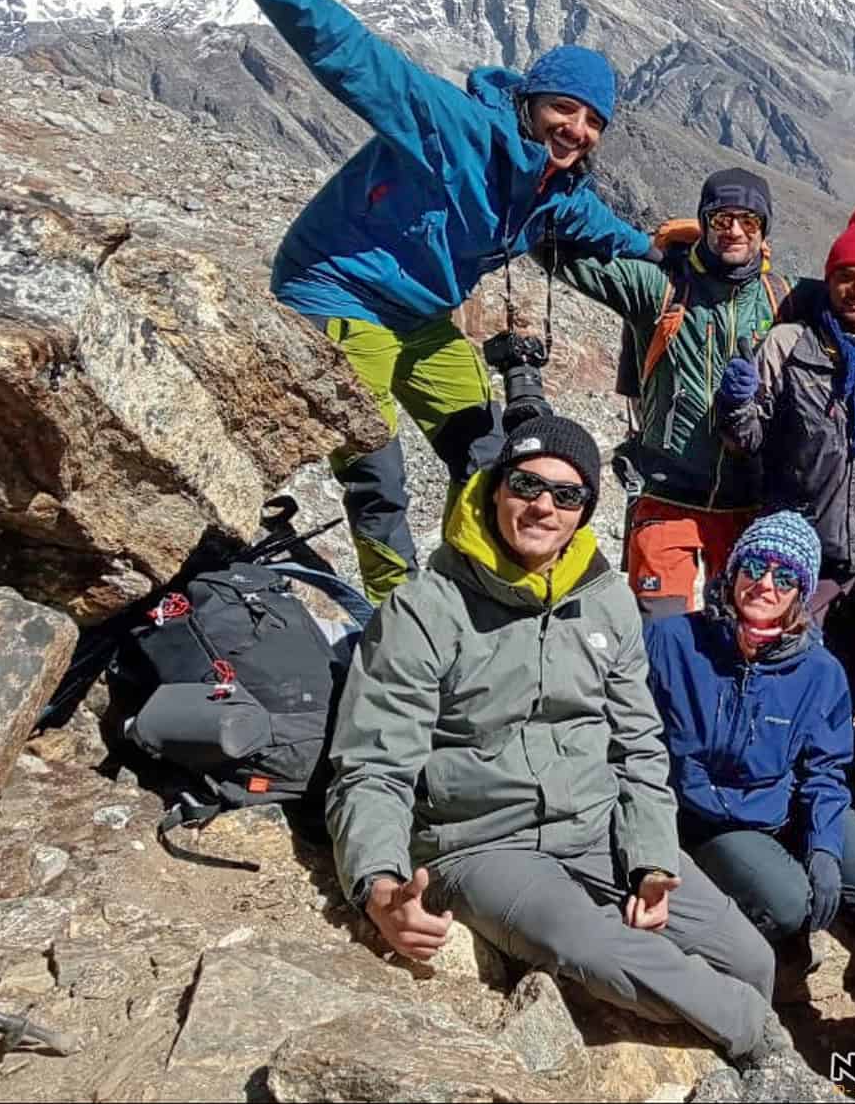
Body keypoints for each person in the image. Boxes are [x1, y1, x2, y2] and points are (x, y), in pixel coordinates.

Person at [192, 0, 656, 604]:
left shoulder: (552, 189)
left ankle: (464, 587)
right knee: (376, 466)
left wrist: (674, 246)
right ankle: (391, 610)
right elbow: (344, 53)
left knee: (491, 451)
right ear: (532, 101)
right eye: (566, 109)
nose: (577, 128)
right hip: (340, 286)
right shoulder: (455, 126)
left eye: (594, 121)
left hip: (419, 314)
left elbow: (606, 231)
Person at [324, 413, 796, 1072]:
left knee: (751, 958)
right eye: (527, 483)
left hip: (597, 825)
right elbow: (374, 762)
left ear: (583, 511)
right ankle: (762, 1049)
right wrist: (377, 882)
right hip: (481, 841)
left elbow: (638, 742)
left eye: (567, 495)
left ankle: (738, 1034)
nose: (544, 505)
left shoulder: (605, 601)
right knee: (591, 944)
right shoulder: (424, 609)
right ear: (496, 490)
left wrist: (653, 858)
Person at [556, 170, 855, 621]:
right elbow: (565, 257)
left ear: (764, 231)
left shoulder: (780, 293)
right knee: (662, 632)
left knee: (738, 632)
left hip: (747, 503)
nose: (735, 231)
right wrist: (534, 197)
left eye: (749, 221)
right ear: (704, 224)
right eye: (722, 219)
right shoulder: (660, 285)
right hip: (668, 495)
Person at [643, 511, 855, 954]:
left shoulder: (820, 670)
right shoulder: (671, 642)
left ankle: (817, 902)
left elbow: (824, 770)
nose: (765, 584)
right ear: (732, 572)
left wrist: (823, 846)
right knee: (789, 905)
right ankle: (762, 918)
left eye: (785, 576)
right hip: (712, 816)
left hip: (781, 802)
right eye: (754, 567)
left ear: (800, 593)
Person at [715, 204, 855, 702]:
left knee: (848, 683)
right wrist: (734, 403)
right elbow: (744, 440)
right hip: (795, 554)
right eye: (847, 278)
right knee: (783, 674)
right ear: (829, 283)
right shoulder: (789, 345)